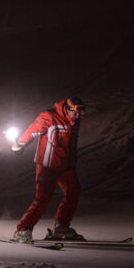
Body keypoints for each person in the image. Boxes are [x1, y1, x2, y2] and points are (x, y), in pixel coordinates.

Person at [10, 96, 85, 243]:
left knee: (73, 192)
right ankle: (23, 229)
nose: (77, 116)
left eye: (80, 113)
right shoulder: (49, 117)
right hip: (47, 165)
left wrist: (73, 160)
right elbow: (33, 130)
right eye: (75, 113)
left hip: (65, 165)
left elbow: (72, 143)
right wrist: (21, 143)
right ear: (68, 109)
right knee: (43, 198)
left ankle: (61, 226)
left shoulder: (75, 121)